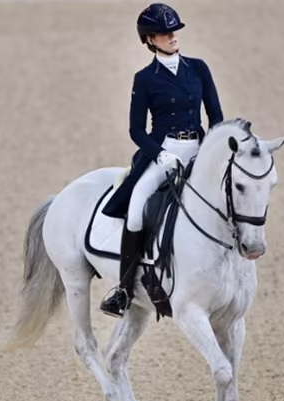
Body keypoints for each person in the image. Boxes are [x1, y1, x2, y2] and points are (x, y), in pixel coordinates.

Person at [100, 3, 224, 317]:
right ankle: (125, 290)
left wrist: (211, 150)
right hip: (164, 151)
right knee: (137, 205)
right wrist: (161, 155)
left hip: (198, 148)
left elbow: (216, 116)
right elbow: (136, 129)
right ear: (150, 40)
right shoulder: (144, 79)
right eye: (164, 33)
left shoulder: (198, 68)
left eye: (174, 31)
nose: (172, 37)